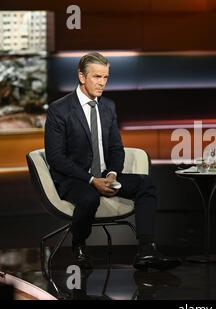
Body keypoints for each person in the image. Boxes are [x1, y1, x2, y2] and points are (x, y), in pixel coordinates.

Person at [45, 52, 181, 271]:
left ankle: (146, 250)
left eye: (105, 77)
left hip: (104, 176)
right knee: (89, 198)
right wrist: (91, 180)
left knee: (146, 184)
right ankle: (79, 245)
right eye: (97, 77)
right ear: (82, 77)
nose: (102, 83)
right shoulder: (59, 109)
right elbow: (56, 158)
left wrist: (112, 174)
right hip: (75, 178)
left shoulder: (108, 106)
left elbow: (116, 149)